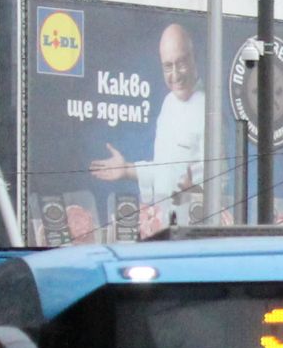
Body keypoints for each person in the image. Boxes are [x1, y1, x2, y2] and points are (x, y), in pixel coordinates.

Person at [85, 22, 211, 231]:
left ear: (194, 58)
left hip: (193, 229)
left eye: (180, 63)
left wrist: (196, 191)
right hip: (164, 223)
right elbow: (165, 170)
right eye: (168, 66)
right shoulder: (169, 103)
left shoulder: (208, 109)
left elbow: (222, 182)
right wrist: (127, 169)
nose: (175, 75)